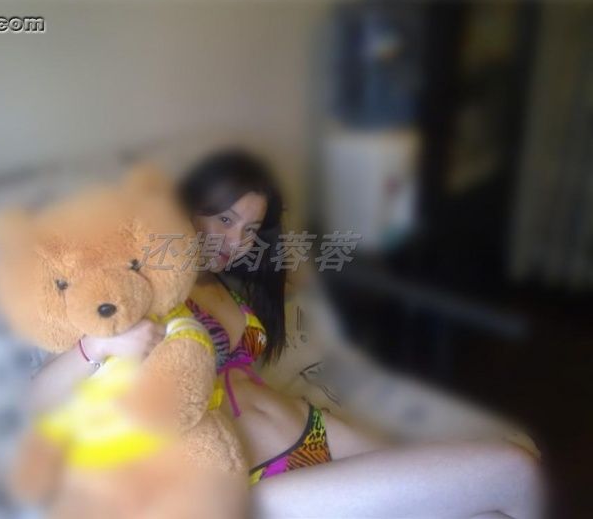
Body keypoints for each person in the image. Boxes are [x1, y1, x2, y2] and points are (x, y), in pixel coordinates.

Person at [29, 150, 544, 518]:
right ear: (185, 209)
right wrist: (99, 346)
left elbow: (302, 266)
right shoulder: (147, 293)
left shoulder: (234, 286)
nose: (234, 241)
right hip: (250, 483)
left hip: (315, 430)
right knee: (512, 470)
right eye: (223, 218)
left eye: (249, 230)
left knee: (475, 505)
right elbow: (40, 399)